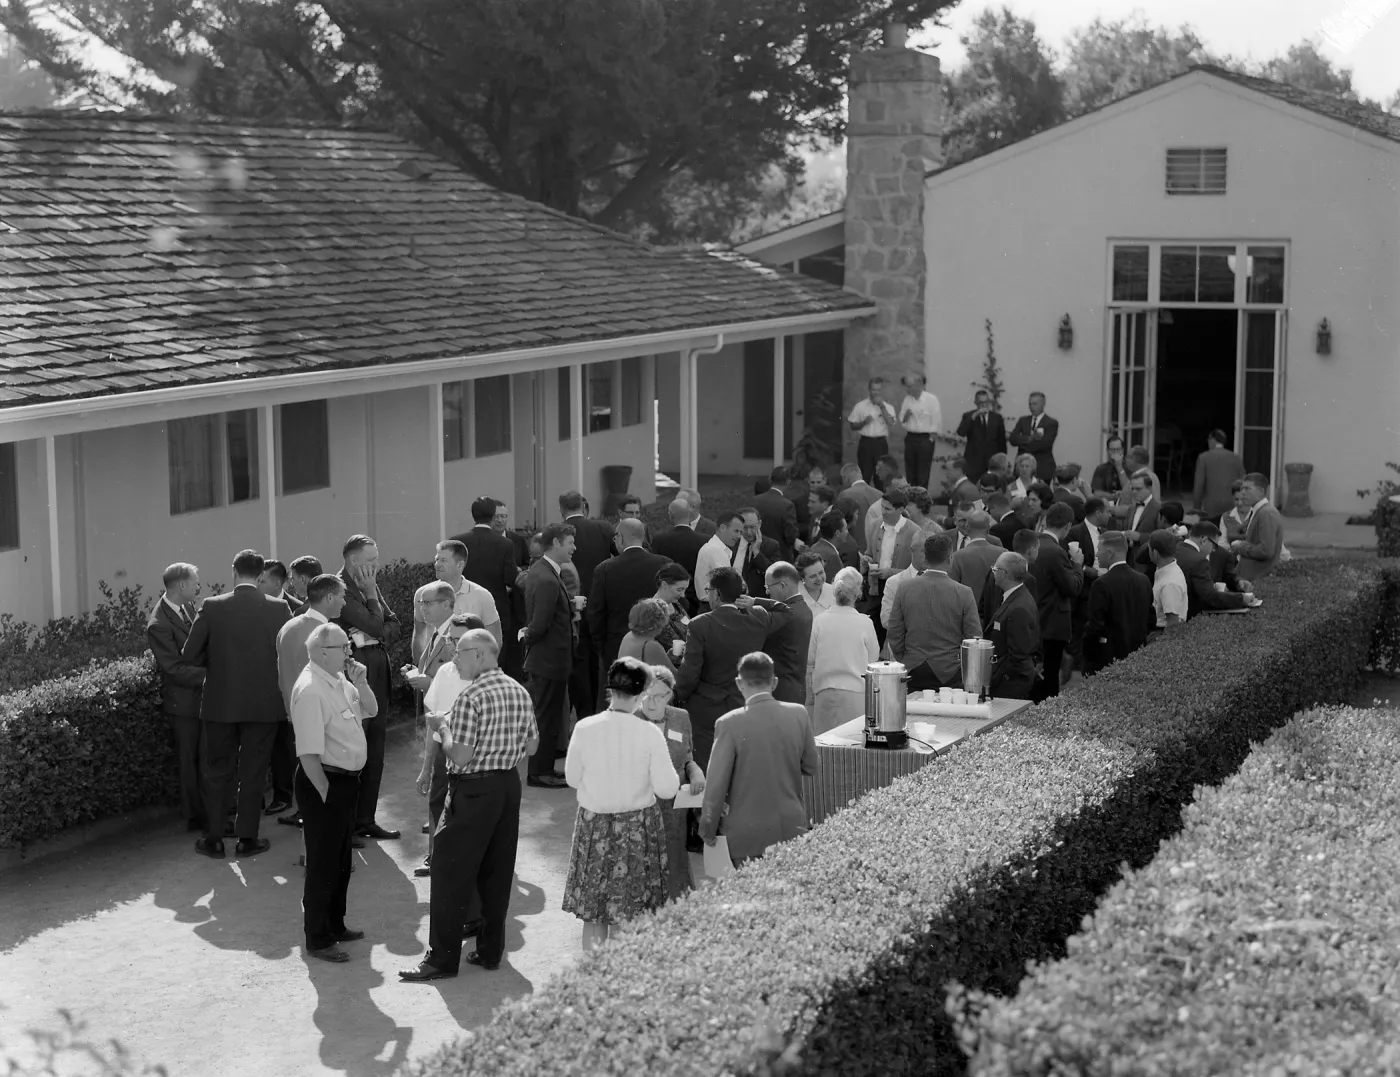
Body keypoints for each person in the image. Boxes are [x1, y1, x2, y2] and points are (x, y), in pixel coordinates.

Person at [400, 630, 538, 981]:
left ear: (479, 654)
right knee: (497, 870)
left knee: (448, 873)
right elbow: (532, 745)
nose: (453, 659)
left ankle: (440, 961)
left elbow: (460, 754)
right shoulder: (518, 690)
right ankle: (490, 951)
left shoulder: (471, 696)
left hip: (473, 789)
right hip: (506, 786)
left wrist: (442, 726)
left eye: (458, 652)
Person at [559, 657, 678, 950]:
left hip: (594, 825)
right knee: (632, 914)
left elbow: (572, 778)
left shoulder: (586, 727)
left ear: (610, 690)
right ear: (641, 694)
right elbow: (667, 788)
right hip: (637, 828)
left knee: (594, 914)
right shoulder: (649, 732)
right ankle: (621, 982)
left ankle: (593, 978)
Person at [184, 549, 290, 859]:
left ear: (234, 571)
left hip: (220, 702)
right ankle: (247, 839)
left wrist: (219, 666)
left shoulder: (212, 606)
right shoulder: (280, 608)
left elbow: (190, 654)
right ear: (260, 576)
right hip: (264, 703)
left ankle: (215, 838)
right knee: (254, 772)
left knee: (218, 771)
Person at [290, 622, 376, 963]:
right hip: (323, 781)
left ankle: (335, 924)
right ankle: (318, 938)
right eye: (343, 648)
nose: (349, 652)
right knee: (323, 864)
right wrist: (326, 793)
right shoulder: (311, 689)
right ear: (322, 652)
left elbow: (371, 710)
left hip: (344, 782)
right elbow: (308, 753)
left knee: (341, 862)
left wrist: (363, 682)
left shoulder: (338, 680)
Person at [700, 652, 817, 867]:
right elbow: (811, 766)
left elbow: (715, 786)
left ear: (739, 683)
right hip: (791, 827)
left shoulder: (728, 723)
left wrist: (707, 829)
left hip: (747, 834)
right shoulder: (799, 713)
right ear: (774, 683)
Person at [332, 535, 401, 842]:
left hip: (378, 669)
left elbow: (394, 626)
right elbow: (377, 627)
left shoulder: (369, 583)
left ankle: (365, 819)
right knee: (353, 747)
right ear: (353, 561)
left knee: (375, 747)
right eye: (371, 560)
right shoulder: (340, 588)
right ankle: (345, 823)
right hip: (355, 672)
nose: (377, 565)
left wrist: (377, 623)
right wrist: (373, 601)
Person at [674, 566, 772, 769]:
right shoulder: (758, 619)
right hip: (743, 703)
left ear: (717, 594)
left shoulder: (700, 624)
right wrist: (756, 602)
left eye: (709, 591)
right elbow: (784, 610)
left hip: (707, 711)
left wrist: (679, 695)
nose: (708, 595)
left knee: (709, 770)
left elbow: (690, 673)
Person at [413, 612, 486, 881]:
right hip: (445, 759)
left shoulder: (489, 678)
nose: (453, 645)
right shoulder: (444, 672)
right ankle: (436, 858)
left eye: (459, 640)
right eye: (451, 639)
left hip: (478, 763)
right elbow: (434, 725)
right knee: (437, 806)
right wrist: (425, 770)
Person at [274, 574, 348, 824]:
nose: (344, 602)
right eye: (341, 596)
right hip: (324, 715)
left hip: (293, 712)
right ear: (328, 597)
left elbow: (282, 673)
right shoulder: (325, 635)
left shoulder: (288, 626)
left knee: (304, 766)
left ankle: (305, 815)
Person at [146, 562, 206, 833]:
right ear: (182, 586)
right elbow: (173, 669)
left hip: (199, 700)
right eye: (195, 582)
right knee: (190, 761)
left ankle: (210, 810)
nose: (198, 586)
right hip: (184, 705)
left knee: (203, 758)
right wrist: (212, 676)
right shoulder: (158, 624)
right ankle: (196, 817)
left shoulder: (188, 608)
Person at [637, 665, 703, 901]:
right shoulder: (628, 720)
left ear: (669, 696)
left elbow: (686, 758)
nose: (650, 702)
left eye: (658, 696)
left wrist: (695, 773)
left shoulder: (680, 717)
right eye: (646, 694)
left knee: (675, 865)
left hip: (674, 812)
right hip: (640, 811)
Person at [519, 522, 577, 789]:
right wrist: (525, 636)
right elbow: (540, 625)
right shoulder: (546, 577)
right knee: (546, 717)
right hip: (548, 661)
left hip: (549, 660)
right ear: (556, 544)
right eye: (570, 543)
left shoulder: (543, 571)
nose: (574, 548)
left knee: (548, 716)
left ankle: (544, 769)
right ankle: (539, 772)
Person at [888, 533, 981, 692]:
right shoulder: (964, 592)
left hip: (914, 668)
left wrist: (906, 658)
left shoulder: (904, 588)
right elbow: (974, 638)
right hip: (950, 670)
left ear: (925, 559)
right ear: (950, 558)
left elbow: (895, 632)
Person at [588, 518, 673, 692]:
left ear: (619, 538)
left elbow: (596, 612)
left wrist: (601, 645)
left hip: (615, 646)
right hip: (656, 643)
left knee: (617, 698)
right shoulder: (664, 563)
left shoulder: (605, 569)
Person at [560, 490, 615, 722]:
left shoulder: (556, 531)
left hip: (569, 605)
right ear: (583, 506)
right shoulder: (603, 528)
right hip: (601, 604)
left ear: (562, 508)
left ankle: (583, 713)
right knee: (598, 659)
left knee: (577, 662)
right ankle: (600, 709)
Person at [806, 567, 880, 733]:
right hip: (855, 694)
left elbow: (810, 659)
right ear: (857, 593)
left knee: (824, 748)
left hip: (824, 692)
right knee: (852, 749)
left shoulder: (820, 620)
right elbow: (873, 659)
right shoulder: (865, 623)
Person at [453, 497, 521, 674]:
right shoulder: (504, 544)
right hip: (495, 611)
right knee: (494, 661)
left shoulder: (457, 543)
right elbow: (511, 578)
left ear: (473, 515)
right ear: (492, 516)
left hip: (463, 609)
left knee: (463, 661)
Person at [413, 540, 501, 666]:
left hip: (471, 672)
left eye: (443, 560)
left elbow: (494, 638)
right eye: (437, 559)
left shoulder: (482, 596)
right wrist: (420, 669)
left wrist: (482, 669)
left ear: (460, 565)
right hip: (433, 675)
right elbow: (419, 635)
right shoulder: (422, 594)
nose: (437, 565)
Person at [1030, 503, 1084, 701]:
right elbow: (1072, 587)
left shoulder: (1033, 544)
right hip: (1051, 625)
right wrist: (1077, 564)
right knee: (1049, 678)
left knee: (1040, 675)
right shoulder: (1055, 551)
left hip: (1033, 621)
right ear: (1068, 526)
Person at [1083, 532, 1155, 676]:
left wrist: (1087, 658)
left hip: (1107, 659)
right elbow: (1150, 619)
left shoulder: (1101, 584)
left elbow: (1095, 625)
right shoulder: (1144, 580)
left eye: (1099, 549)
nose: (1096, 554)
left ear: (1109, 553)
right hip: (1137, 656)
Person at [743, 561, 812, 706]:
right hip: (795, 689)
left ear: (782, 585)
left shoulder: (788, 614)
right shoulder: (804, 608)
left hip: (781, 692)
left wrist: (754, 602)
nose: (767, 592)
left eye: (768, 587)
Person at [985, 552, 1040, 700]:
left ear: (1004, 573)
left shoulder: (1019, 607)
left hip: (1011, 683)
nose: (993, 573)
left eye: (995, 570)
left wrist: (1002, 677)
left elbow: (1018, 653)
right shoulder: (1015, 597)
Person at [1176, 521, 1250, 619]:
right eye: (1214, 545)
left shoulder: (1173, 549)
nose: (1214, 550)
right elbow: (1209, 596)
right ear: (1204, 540)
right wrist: (1241, 599)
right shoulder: (1199, 561)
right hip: (1188, 617)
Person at [651, 498, 707, 614]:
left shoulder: (659, 541)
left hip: (667, 601)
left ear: (670, 515)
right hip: (696, 602)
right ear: (689, 514)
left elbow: (656, 572)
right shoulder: (704, 540)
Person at [1231, 473, 1285, 581]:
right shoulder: (1258, 511)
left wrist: (1240, 547)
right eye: (1242, 489)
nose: (1242, 493)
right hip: (1249, 579)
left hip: (1257, 580)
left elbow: (1266, 551)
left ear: (1260, 491)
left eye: (1247, 489)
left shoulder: (1266, 513)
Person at [847, 377, 898, 488]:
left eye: (878, 390)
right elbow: (852, 425)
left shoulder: (888, 407)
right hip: (866, 443)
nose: (876, 392)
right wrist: (863, 423)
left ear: (882, 390)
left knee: (881, 477)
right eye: (873, 389)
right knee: (864, 475)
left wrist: (882, 407)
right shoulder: (860, 406)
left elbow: (891, 422)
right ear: (869, 390)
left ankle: (881, 502)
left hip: (880, 443)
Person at [948, 511, 1004, 607]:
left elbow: (951, 590)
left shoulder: (958, 557)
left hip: (967, 612)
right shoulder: (1003, 554)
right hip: (996, 612)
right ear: (988, 527)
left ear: (967, 527)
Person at [693, 511, 744, 612]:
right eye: (736, 531)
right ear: (722, 528)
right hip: (713, 608)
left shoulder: (715, 548)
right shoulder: (715, 550)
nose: (739, 536)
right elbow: (728, 587)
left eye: (740, 532)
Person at [897, 372, 941, 489]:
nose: (907, 389)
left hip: (925, 438)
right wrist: (906, 415)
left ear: (919, 384)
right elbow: (902, 421)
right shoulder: (907, 400)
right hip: (911, 437)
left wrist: (931, 439)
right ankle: (911, 499)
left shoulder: (931, 399)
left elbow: (936, 421)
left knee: (923, 472)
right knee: (910, 471)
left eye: (909, 386)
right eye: (906, 386)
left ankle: (921, 501)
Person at [1192, 429, 1246, 520]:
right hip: (1231, 506)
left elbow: (1199, 486)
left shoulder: (1203, 458)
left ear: (1213, 439)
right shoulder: (1235, 457)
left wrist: (1196, 509)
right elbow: (1244, 482)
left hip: (1211, 508)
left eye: (1208, 439)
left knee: (1211, 532)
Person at [956, 390, 1007, 484]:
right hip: (973, 460)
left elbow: (1001, 441)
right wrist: (974, 416)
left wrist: (1002, 460)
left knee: (992, 486)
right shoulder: (969, 416)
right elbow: (961, 432)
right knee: (973, 487)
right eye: (981, 403)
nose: (984, 405)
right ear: (976, 403)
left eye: (986, 402)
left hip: (992, 460)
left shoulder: (997, 418)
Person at [1008, 392, 1059, 482]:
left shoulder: (1051, 423)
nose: (1031, 407)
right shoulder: (1023, 420)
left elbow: (1044, 444)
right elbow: (1013, 439)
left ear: (1043, 404)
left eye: (1035, 404)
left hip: (1042, 468)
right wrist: (1029, 439)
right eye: (1030, 404)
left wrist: (1022, 442)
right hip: (1021, 468)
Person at [880, 536, 927, 632]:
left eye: (932, 551)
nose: (928, 555)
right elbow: (886, 620)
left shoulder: (942, 582)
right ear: (912, 550)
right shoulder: (893, 582)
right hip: (903, 643)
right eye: (923, 551)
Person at [618, 597, 679, 673]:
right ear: (654, 625)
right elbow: (675, 677)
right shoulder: (651, 646)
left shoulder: (629, 636)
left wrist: (666, 658)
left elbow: (647, 661)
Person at [735, 507, 782, 599]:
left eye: (752, 527)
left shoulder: (771, 546)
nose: (749, 532)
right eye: (744, 527)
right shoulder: (732, 543)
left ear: (759, 524)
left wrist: (757, 553)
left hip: (759, 601)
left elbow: (775, 575)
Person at [754, 469, 799, 561]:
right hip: (779, 556)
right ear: (788, 482)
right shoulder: (787, 505)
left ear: (770, 480)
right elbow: (791, 536)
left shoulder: (754, 501)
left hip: (756, 552)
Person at [1148, 529, 1188, 630]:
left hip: (1160, 634)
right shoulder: (1168, 569)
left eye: (1149, 549)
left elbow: (1173, 623)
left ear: (1155, 553)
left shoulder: (1169, 584)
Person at [839, 462, 882, 553]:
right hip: (878, 548)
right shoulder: (879, 494)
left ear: (845, 478)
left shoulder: (844, 495)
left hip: (854, 547)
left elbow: (839, 523)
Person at [650, 562, 692, 655]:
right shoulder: (654, 611)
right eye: (679, 590)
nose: (683, 595)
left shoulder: (676, 604)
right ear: (664, 585)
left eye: (685, 589)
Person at [1123, 469, 1162, 566]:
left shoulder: (1159, 508)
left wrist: (1140, 537)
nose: (1134, 492)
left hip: (1147, 561)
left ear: (1149, 488)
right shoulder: (1131, 508)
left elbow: (1163, 536)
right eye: (1132, 489)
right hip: (1129, 560)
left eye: (1138, 489)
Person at [1091, 436, 1131, 504]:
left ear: (1123, 450)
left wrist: (1119, 467)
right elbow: (1097, 493)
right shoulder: (1101, 469)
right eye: (1112, 450)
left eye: (1118, 449)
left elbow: (1130, 490)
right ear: (1107, 450)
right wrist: (1114, 497)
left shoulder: (1130, 467)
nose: (1116, 452)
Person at [796, 550, 837, 615]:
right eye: (813, 576)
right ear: (802, 578)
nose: (819, 579)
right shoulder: (795, 597)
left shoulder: (834, 592)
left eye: (821, 572)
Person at [810, 510, 846, 582]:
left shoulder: (813, 547)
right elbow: (834, 586)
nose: (847, 532)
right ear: (837, 533)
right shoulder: (832, 556)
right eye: (846, 528)